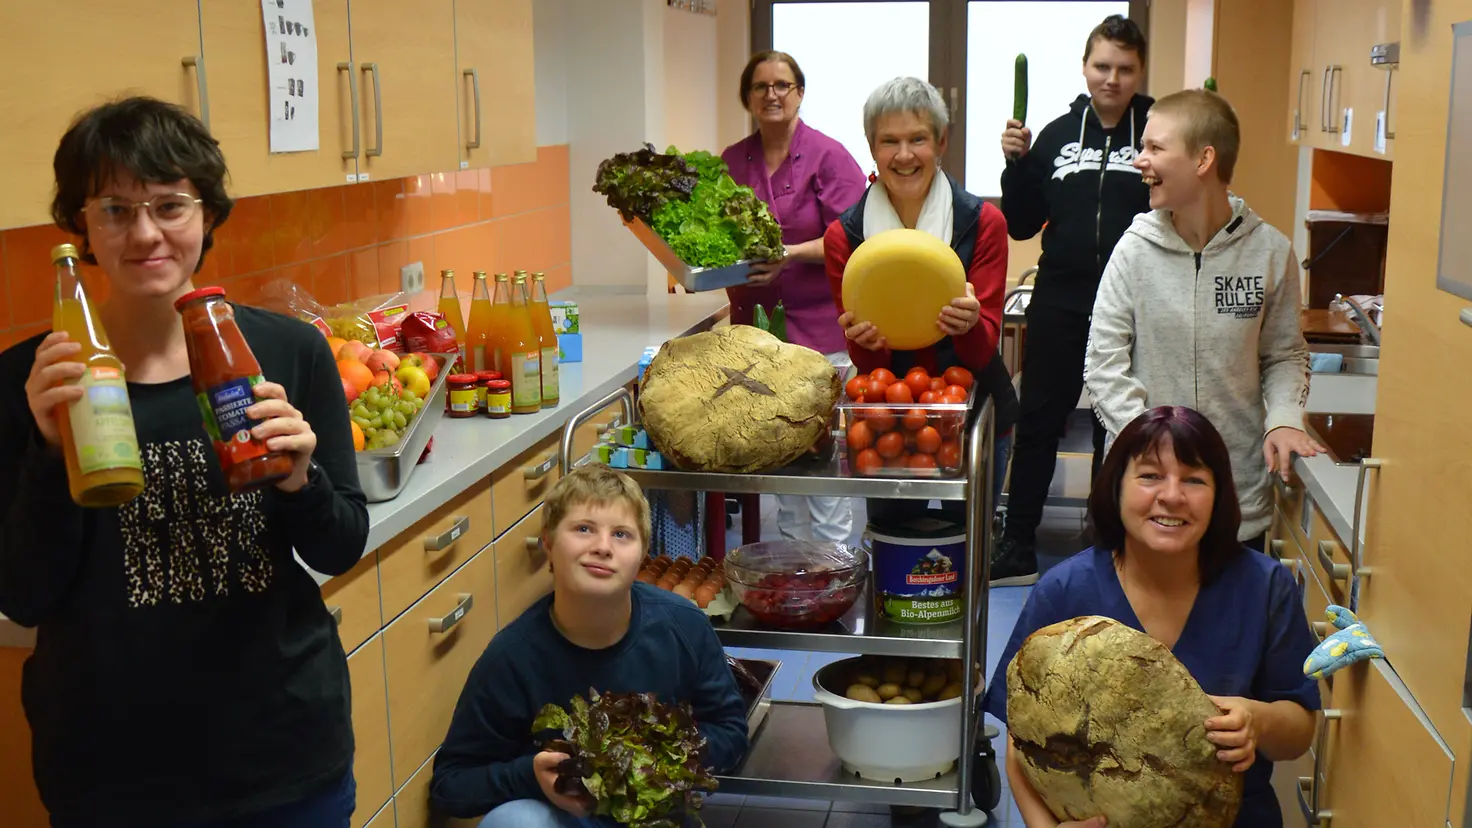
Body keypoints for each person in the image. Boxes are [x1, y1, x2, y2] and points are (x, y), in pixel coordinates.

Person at [0, 97, 368, 827]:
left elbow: (340, 543)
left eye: (170, 205)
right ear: (80, 226)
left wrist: (301, 478)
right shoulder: (30, 382)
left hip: (282, 754)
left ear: (207, 213)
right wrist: (50, 452)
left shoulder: (287, 354)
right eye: (114, 210)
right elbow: (23, 597)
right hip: (110, 773)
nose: (145, 234)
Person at [983, 406, 1319, 828]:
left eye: (1194, 479)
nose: (1172, 495)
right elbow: (1023, 741)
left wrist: (1258, 721)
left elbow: (1300, 728)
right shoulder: (1066, 591)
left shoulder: (1265, 587)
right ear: (1115, 487)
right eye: (1149, 476)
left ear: (1219, 496)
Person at [430, 464, 749, 828]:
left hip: (656, 816)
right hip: (566, 817)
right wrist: (529, 775)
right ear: (548, 543)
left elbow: (730, 730)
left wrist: (663, 759)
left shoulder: (684, 627)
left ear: (643, 553)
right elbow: (451, 783)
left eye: (622, 535)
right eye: (583, 529)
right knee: (514, 821)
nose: (602, 547)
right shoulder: (513, 657)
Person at [1084, 89, 1324, 549]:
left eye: (1155, 147)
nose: (1140, 160)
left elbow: (1284, 353)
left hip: (1238, 498)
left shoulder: (1270, 252)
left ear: (1203, 160)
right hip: (1147, 496)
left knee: (1228, 620)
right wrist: (1151, 447)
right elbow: (1104, 363)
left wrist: (1286, 417)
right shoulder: (1133, 252)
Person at [995, 14, 1154, 586]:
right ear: (1086, 67)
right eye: (1102, 66)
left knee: (1120, 425)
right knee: (1040, 419)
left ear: (1139, 71)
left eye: (1125, 68)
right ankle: (1016, 547)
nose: (1112, 78)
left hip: (1136, 301)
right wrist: (1015, 164)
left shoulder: (1158, 131)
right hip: (1059, 297)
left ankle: (1107, 544)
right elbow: (1018, 224)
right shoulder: (1058, 135)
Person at [825, 77, 1018, 524]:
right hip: (886, 420)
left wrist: (969, 326)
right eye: (889, 141)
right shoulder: (845, 236)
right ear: (872, 148)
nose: (904, 155)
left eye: (918, 139)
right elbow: (863, 355)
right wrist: (864, 340)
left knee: (967, 552)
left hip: (974, 412)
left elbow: (985, 345)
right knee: (894, 549)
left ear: (942, 142)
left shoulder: (983, 223)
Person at [722, 50, 868, 544]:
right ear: (748, 98)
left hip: (821, 332)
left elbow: (853, 233)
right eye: (761, 87)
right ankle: (789, 577)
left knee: (824, 466)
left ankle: (833, 576)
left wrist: (789, 254)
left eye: (782, 85)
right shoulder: (731, 161)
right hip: (756, 336)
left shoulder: (828, 155)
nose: (772, 95)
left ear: (799, 93)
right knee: (780, 459)